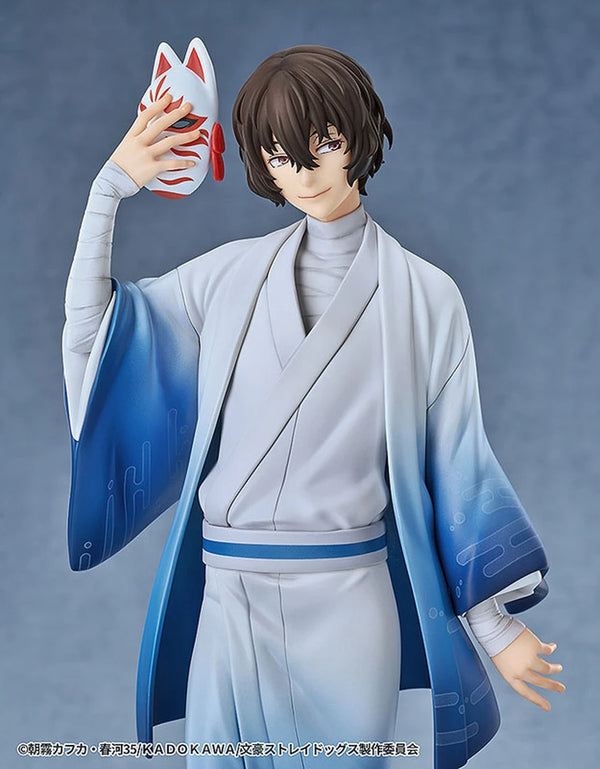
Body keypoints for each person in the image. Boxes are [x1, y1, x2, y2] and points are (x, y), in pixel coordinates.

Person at [63, 46, 564, 768]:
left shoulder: (425, 297)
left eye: (322, 143)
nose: (303, 172)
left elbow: (456, 465)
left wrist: (495, 628)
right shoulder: (227, 278)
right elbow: (96, 339)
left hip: (347, 601)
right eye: (278, 155)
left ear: (357, 136)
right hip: (228, 599)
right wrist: (107, 192)